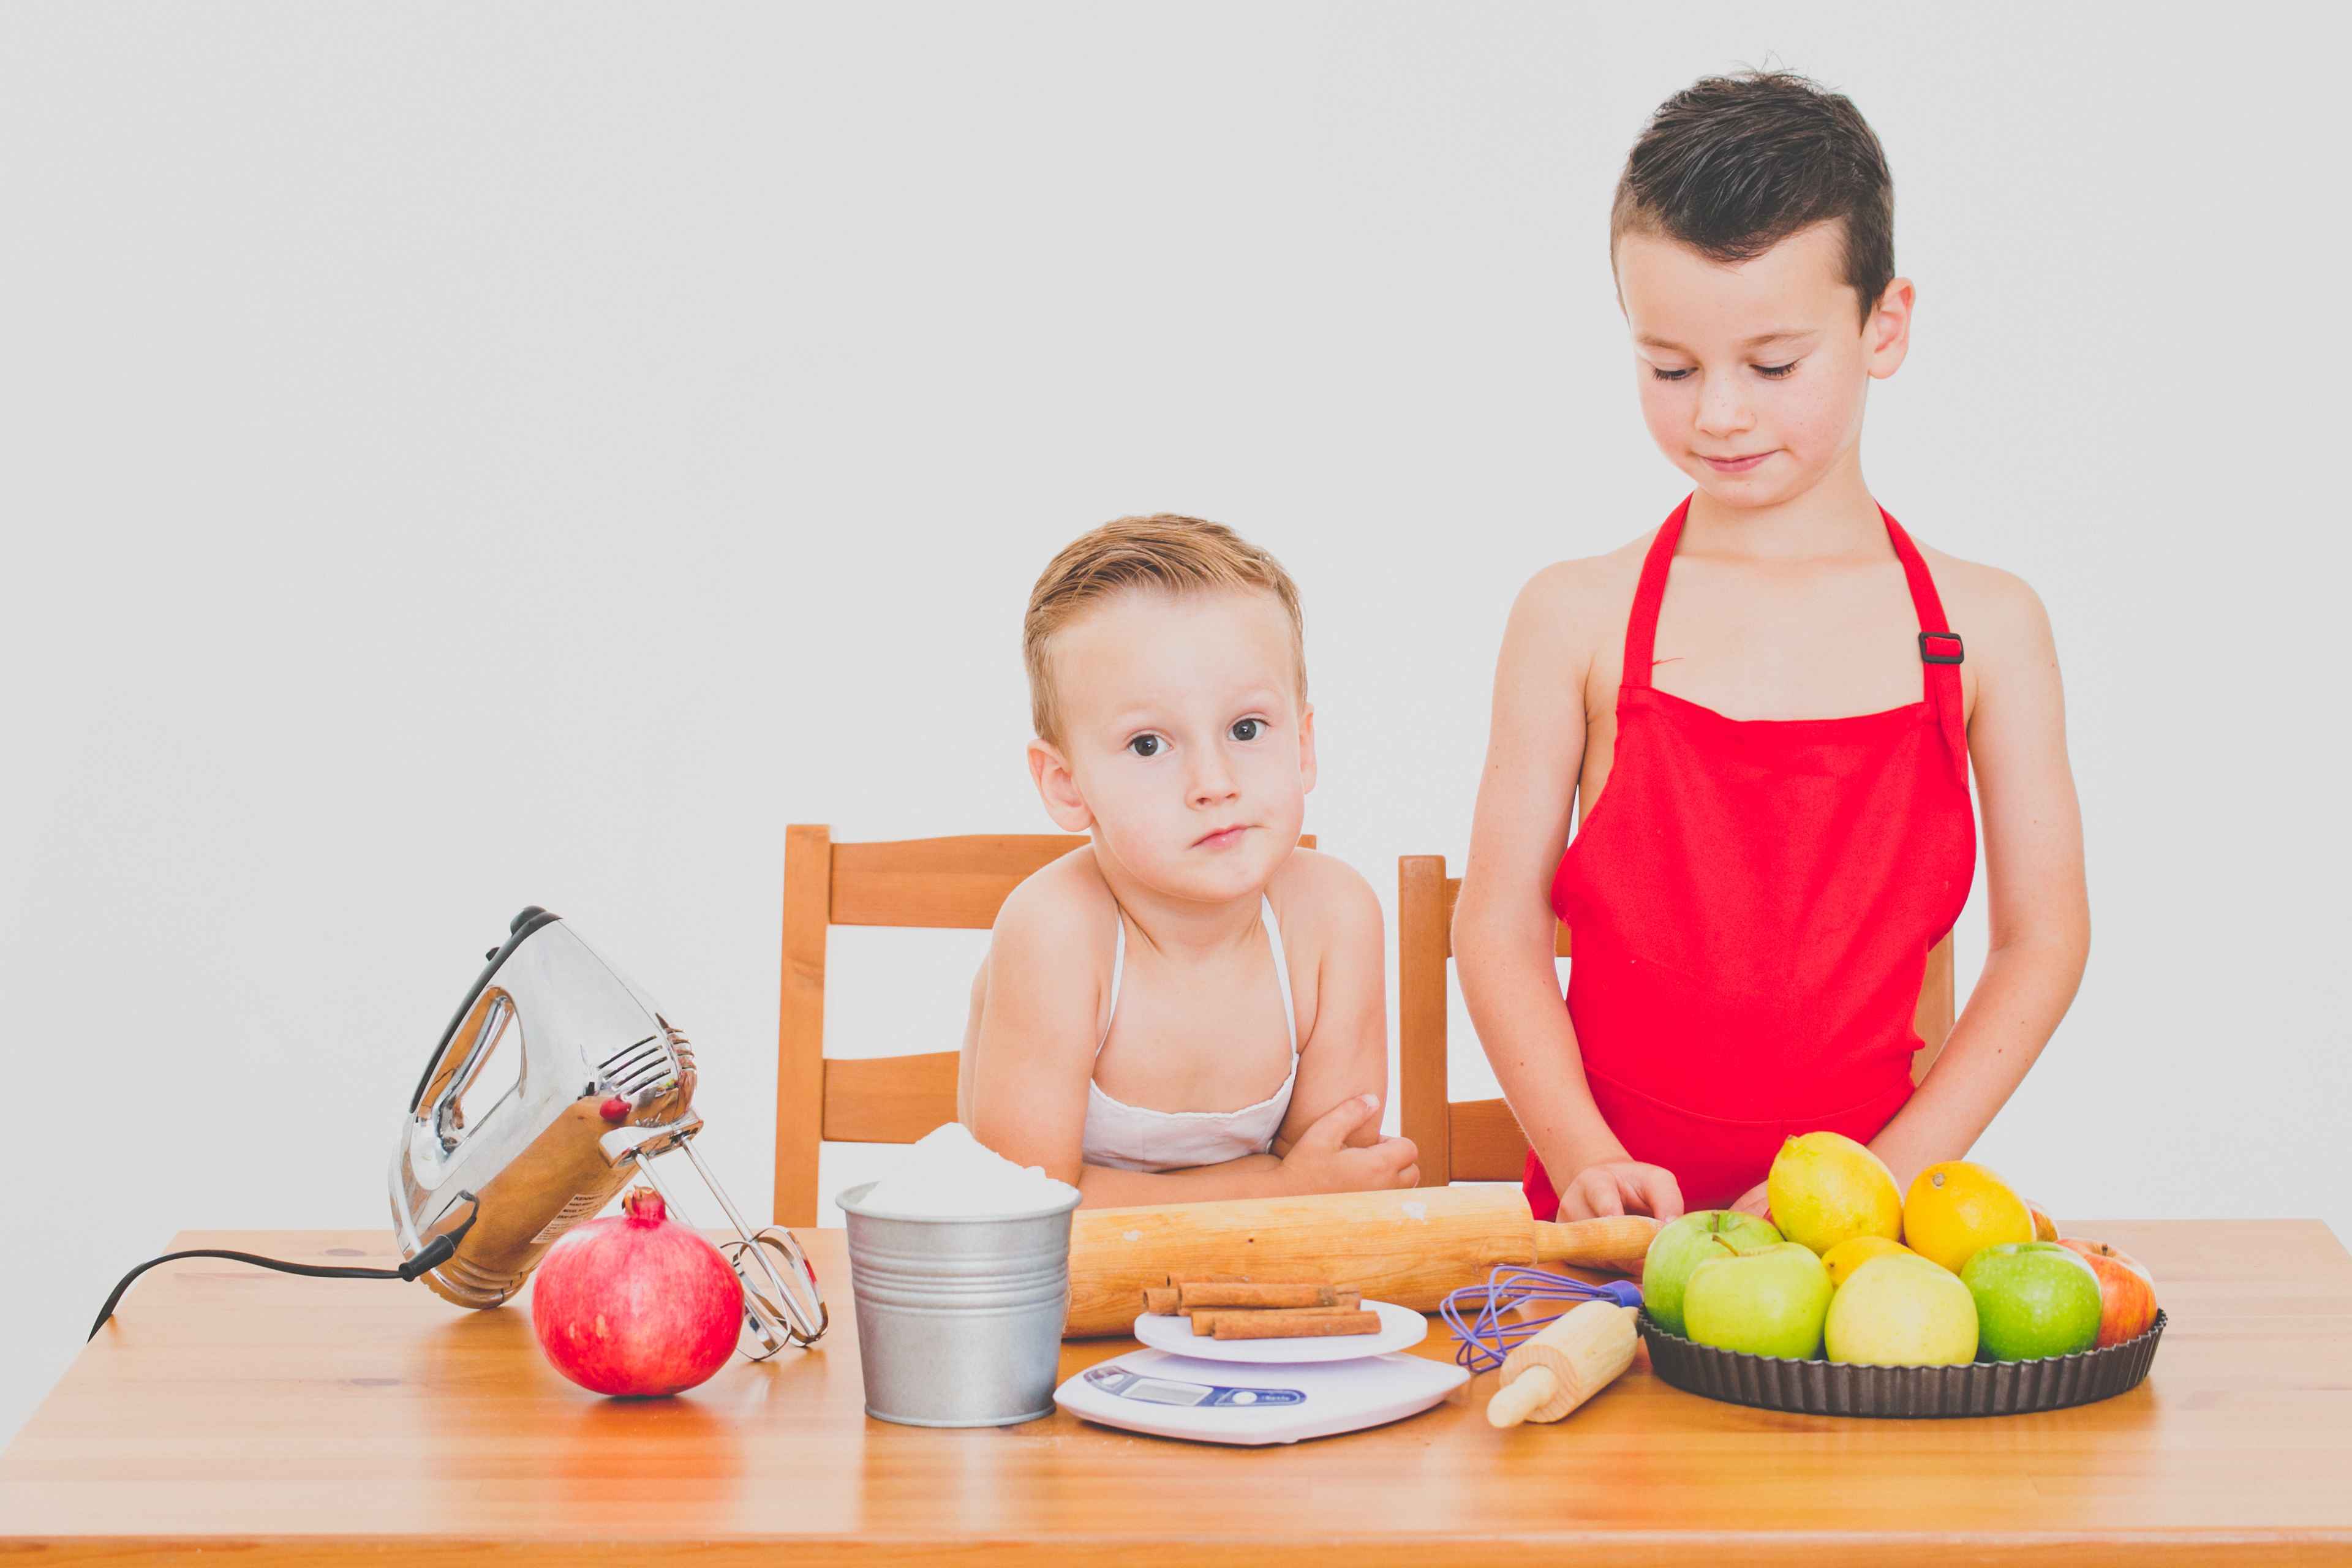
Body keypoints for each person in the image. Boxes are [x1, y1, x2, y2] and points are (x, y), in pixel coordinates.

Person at [1453, 71, 2090, 1226]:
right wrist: (1585, 1159)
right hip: (1599, 1246)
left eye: (1773, 364)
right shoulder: (1574, 616)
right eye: (1670, 367)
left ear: (1881, 326)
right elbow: (1495, 926)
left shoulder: (1988, 628)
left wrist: (1867, 1189)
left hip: (1856, 1251)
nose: (1719, 416)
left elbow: (2044, 942)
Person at [959, 513, 1420, 1205]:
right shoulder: (1055, 931)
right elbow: (1023, 1208)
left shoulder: (1333, 918)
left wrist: (1297, 1187)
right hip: (1068, 1305)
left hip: (1266, 1291)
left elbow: (1334, 1181)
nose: (1214, 782)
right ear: (1066, 785)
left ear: (1302, 746)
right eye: (1149, 744)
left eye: (1246, 728)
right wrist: (1276, 1188)